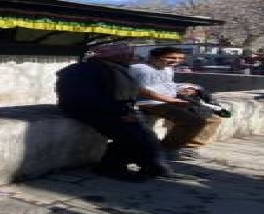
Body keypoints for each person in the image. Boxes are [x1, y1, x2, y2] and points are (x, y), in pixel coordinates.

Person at [55, 43, 190, 182]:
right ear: (115, 56)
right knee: (132, 135)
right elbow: (84, 97)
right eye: (128, 55)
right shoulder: (84, 70)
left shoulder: (116, 68)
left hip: (112, 109)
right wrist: (119, 113)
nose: (132, 57)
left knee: (144, 135)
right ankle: (113, 168)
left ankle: (152, 166)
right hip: (88, 109)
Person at [131, 46, 223, 161]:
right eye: (171, 57)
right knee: (192, 121)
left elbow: (167, 85)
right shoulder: (139, 69)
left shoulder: (167, 69)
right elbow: (141, 91)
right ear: (154, 58)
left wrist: (184, 88)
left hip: (170, 100)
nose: (176, 61)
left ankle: (188, 146)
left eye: (180, 58)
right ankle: (167, 149)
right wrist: (171, 100)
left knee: (213, 118)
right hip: (148, 102)